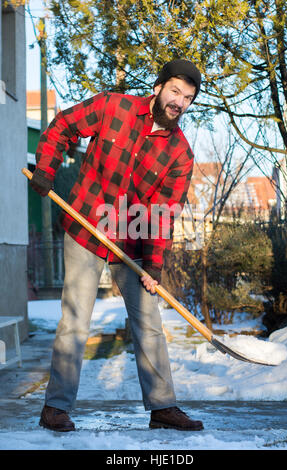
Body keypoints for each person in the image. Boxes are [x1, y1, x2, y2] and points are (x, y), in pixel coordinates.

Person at [30, 59, 204, 432]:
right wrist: (46, 167)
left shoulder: (180, 154)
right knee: (75, 318)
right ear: (157, 88)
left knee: (149, 322)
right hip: (86, 227)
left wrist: (154, 265)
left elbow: (164, 212)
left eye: (188, 98)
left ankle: (162, 407)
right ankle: (55, 408)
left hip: (132, 242)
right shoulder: (113, 106)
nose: (179, 102)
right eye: (175, 91)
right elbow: (63, 126)